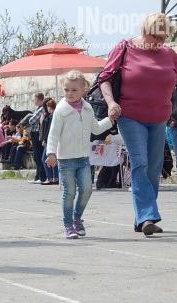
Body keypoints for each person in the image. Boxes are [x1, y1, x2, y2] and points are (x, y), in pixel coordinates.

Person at [100, 13, 177, 236]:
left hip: (159, 117)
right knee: (140, 163)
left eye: (164, 38)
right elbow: (104, 77)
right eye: (157, 37)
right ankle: (148, 217)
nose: (160, 43)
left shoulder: (169, 54)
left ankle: (142, 217)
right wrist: (111, 102)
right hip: (130, 115)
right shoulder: (124, 47)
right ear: (145, 31)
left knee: (155, 168)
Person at [46, 70, 114, 239]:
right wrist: (51, 153)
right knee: (69, 192)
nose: (70, 93)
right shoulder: (61, 110)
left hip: (83, 158)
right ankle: (68, 225)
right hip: (65, 159)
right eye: (66, 90)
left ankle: (77, 218)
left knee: (86, 190)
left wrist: (110, 120)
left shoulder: (87, 108)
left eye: (74, 90)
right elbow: (53, 134)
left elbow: (96, 128)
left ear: (84, 89)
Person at [28, 93, 47, 183]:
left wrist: (30, 118)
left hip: (37, 133)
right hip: (34, 133)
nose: (34, 101)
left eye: (35, 99)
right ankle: (37, 176)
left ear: (39, 99)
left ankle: (41, 177)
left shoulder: (41, 109)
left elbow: (32, 120)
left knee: (38, 155)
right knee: (36, 156)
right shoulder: (38, 109)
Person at [40, 99, 59, 185]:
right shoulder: (52, 116)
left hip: (49, 140)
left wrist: (45, 139)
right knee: (52, 158)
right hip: (49, 140)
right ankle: (54, 177)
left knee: (45, 158)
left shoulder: (52, 117)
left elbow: (49, 130)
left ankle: (51, 177)